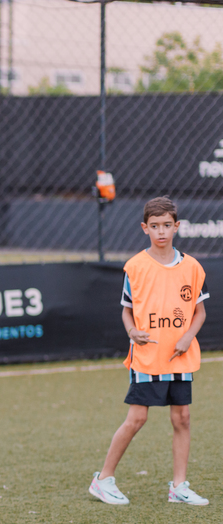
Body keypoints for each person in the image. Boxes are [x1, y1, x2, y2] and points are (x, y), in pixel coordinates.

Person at [89, 195, 209, 506]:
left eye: (167, 225)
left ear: (176, 226)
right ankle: (103, 480)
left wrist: (188, 337)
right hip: (147, 357)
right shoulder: (135, 267)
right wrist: (132, 332)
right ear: (145, 228)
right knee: (137, 418)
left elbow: (200, 312)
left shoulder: (193, 267)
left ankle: (179, 486)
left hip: (180, 356)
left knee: (182, 418)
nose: (161, 231)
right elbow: (126, 311)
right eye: (154, 226)